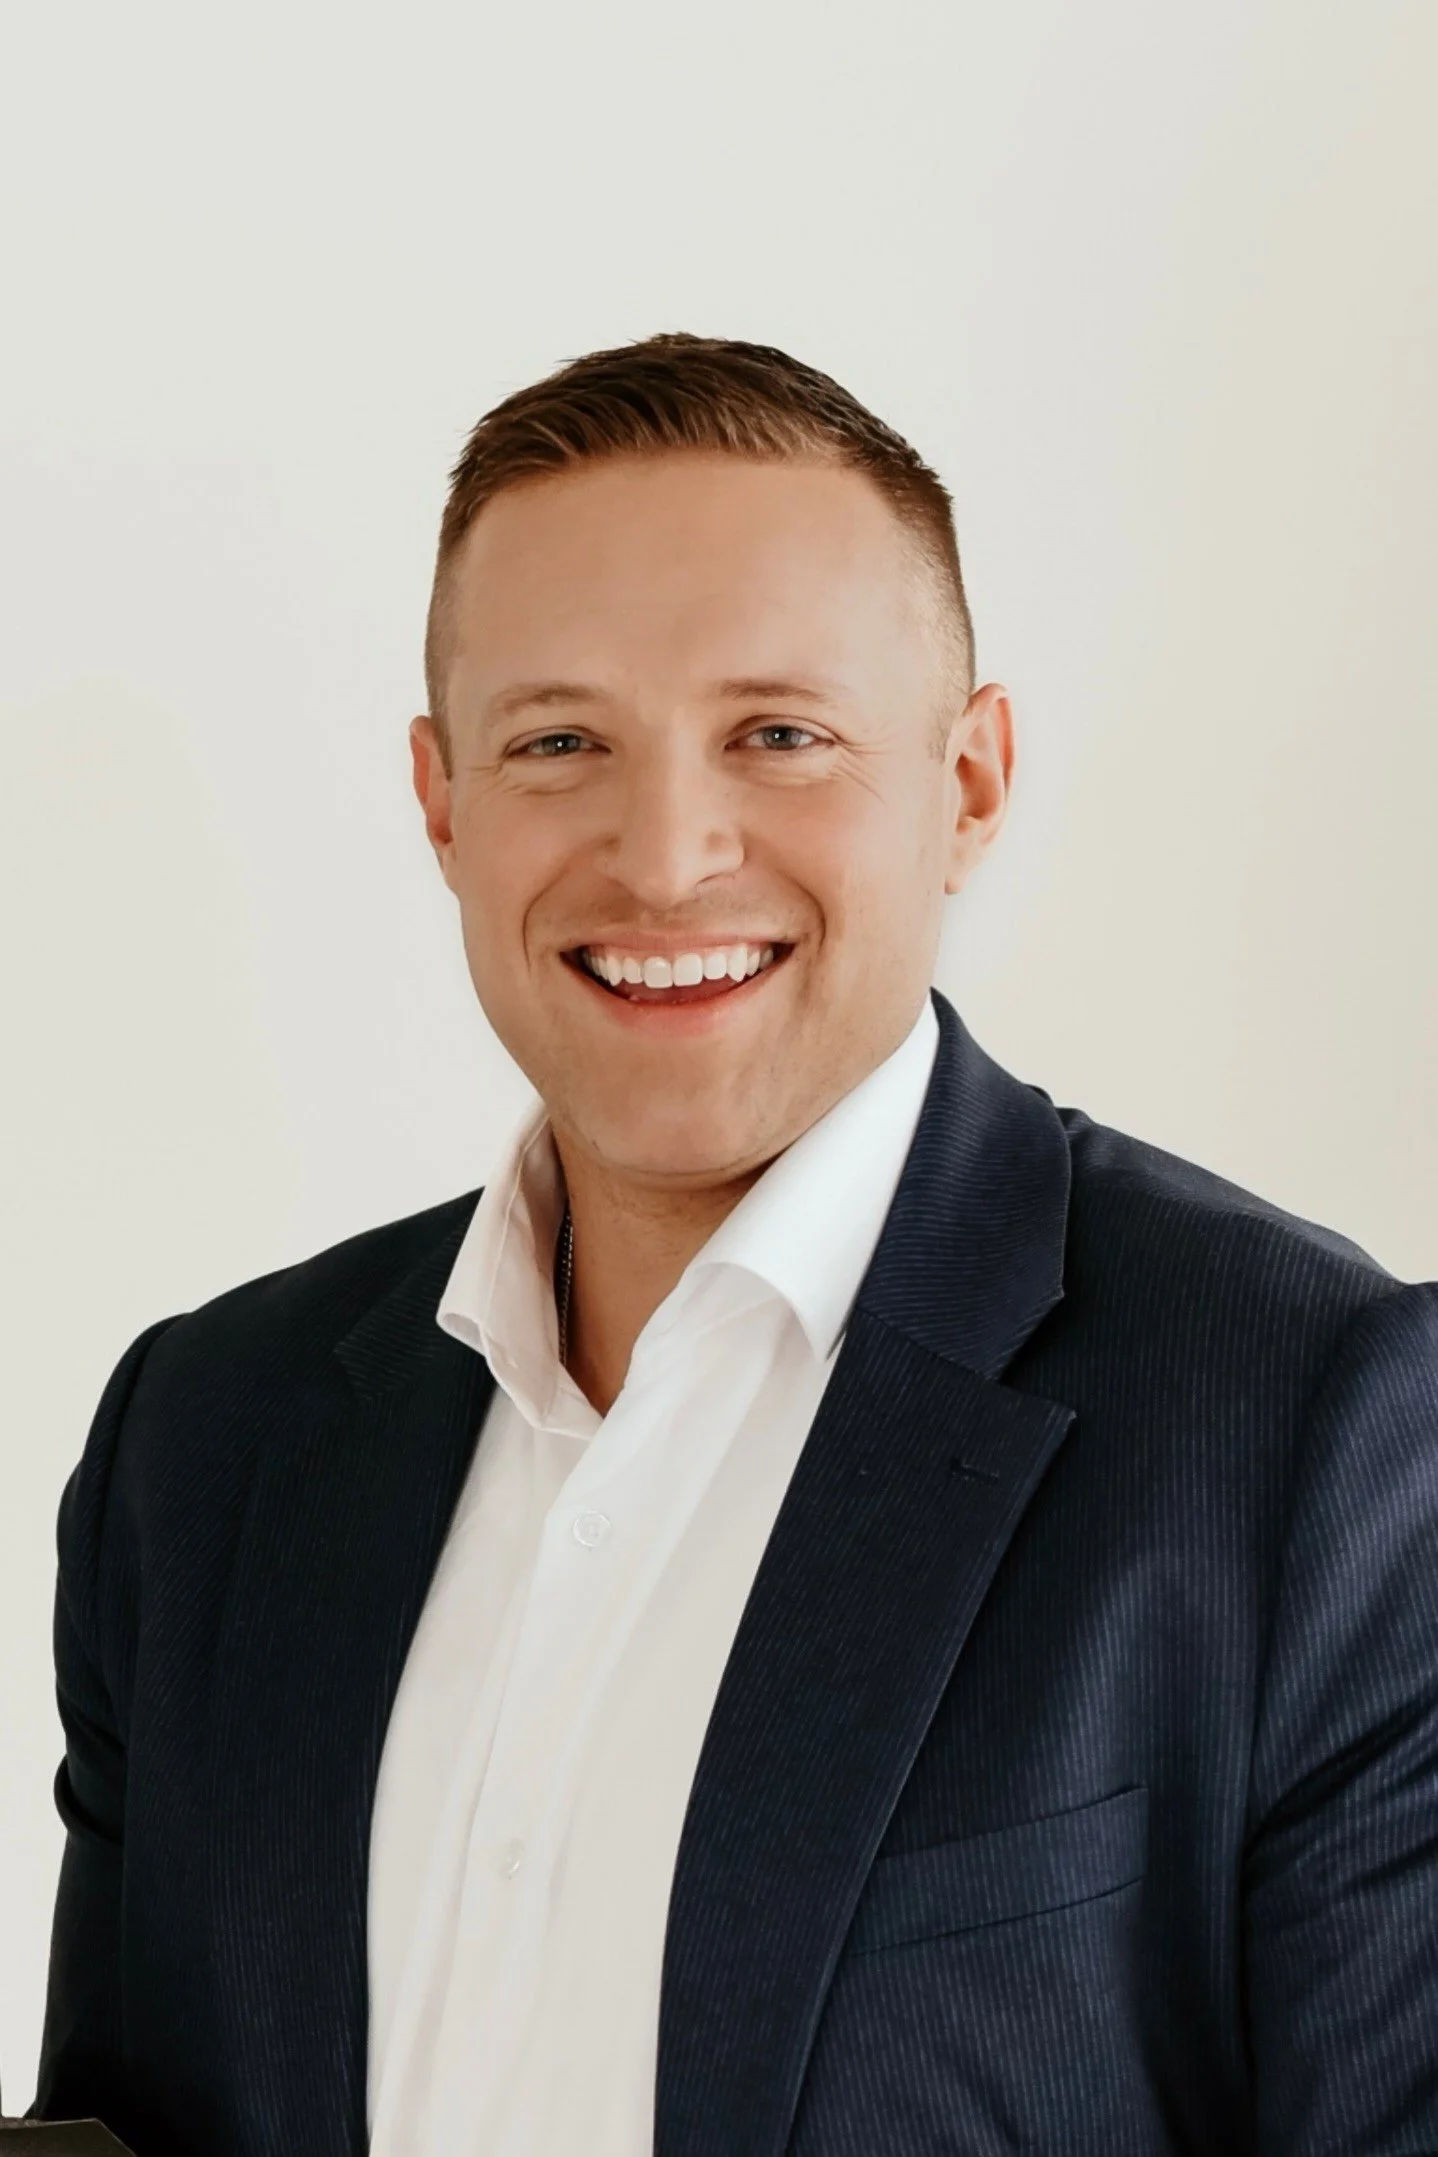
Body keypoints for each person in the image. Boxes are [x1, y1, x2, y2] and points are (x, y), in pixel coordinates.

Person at [31, 331, 1438, 2157]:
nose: (666, 854)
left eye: (780, 735)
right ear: (442, 803)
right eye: (558, 743)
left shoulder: (1318, 1428)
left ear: (969, 783)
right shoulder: (202, 1439)